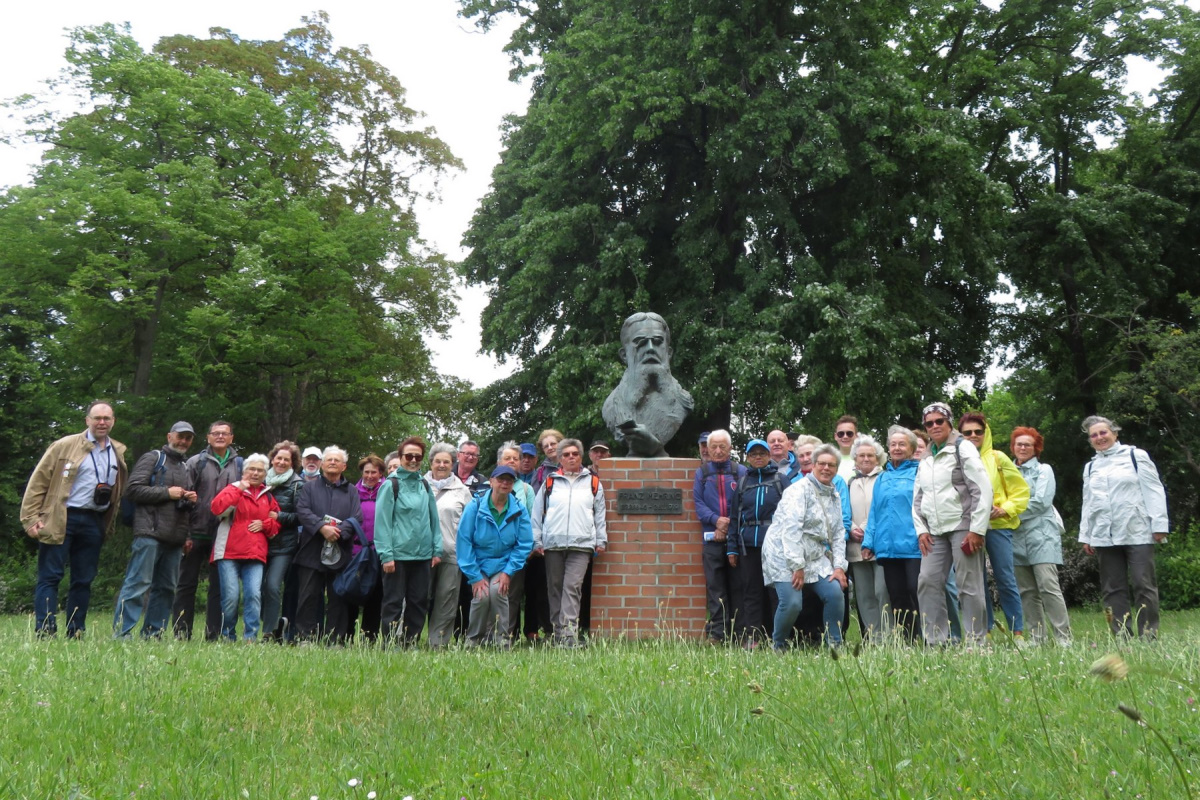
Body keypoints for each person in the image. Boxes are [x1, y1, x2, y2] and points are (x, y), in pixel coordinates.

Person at [21, 401, 128, 638]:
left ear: (113, 421)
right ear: (87, 420)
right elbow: (38, 481)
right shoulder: (65, 445)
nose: (102, 422)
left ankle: (75, 630)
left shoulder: (117, 452)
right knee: (51, 576)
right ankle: (46, 630)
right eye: (97, 418)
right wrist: (30, 518)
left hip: (94, 520)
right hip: (61, 517)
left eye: (107, 418)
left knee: (84, 579)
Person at [1079, 415, 1169, 639]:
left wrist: (1159, 524)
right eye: (1094, 435)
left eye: (1103, 433)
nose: (1099, 438)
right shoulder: (1091, 467)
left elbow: (1154, 490)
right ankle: (1121, 635)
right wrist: (1086, 535)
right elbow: (1088, 502)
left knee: (1143, 583)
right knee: (1112, 589)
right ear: (1090, 440)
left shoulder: (1135, 456)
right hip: (1104, 535)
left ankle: (1148, 635)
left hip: (1137, 530)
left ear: (1114, 433)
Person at [913, 402, 993, 645]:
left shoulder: (963, 447)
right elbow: (918, 497)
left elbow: (982, 489)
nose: (935, 426)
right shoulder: (926, 456)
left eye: (940, 421)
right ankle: (936, 640)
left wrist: (977, 529)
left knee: (968, 586)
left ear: (949, 422)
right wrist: (921, 530)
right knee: (927, 581)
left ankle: (975, 642)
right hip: (934, 532)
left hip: (963, 528)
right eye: (930, 423)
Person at [112, 421, 198, 639]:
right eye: (180, 436)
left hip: (175, 538)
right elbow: (132, 489)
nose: (184, 441)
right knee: (138, 584)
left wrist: (188, 502)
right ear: (169, 436)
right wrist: (167, 493)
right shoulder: (153, 458)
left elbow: (181, 506)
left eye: (188, 438)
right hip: (149, 532)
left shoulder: (186, 467)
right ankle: (122, 634)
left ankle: (153, 634)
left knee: (167, 588)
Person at [762, 444, 849, 650]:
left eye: (831, 465)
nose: (826, 468)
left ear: (836, 468)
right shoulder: (798, 490)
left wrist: (839, 567)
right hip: (783, 553)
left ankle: (834, 646)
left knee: (835, 592)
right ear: (813, 466)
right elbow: (791, 529)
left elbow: (837, 533)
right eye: (822, 464)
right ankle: (779, 645)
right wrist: (797, 566)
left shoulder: (834, 494)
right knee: (792, 602)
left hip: (814, 554)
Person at [958, 412, 1029, 640]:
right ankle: (985, 630)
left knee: (1005, 578)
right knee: (976, 581)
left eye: (978, 431)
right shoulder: (956, 459)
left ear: (985, 432)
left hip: (998, 526)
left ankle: (1017, 631)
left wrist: (1005, 508)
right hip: (968, 527)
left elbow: (1020, 490)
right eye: (967, 432)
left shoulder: (998, 458)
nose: (973, 436)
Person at [532, 438, 607, 647]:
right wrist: (536, 539)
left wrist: (601, 539)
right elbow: (537, 513)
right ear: (560, 459)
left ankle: (569, 635)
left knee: (572, 587)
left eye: (575, 454)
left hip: (581, 544)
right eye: (566, 454)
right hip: (553, 544)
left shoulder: (593, 482)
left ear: (581, 457)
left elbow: (600, 514)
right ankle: (557, 633)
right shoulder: (550, 482)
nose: (571, 457)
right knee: (554, 588)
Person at [172, 420, 241, 641]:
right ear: (208, 437)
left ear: (231, 438)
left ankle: (214, 634)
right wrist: (185, 533)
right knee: (186, 584)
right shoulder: (195, 462)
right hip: (195, 531)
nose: (220, 437)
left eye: (225, 433)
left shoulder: (240, 465)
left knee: (219, 588)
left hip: (224, 534)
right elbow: (183, 499)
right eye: (216, 433)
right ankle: (181, 633)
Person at [458, 465, 534, 647]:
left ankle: (501, 640)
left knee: (498, 591)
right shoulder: (474, 507)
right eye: (501, 479)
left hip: (504, 564)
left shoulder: (519, 509)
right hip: (478, 563)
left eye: (509, 480)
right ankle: (473, 639)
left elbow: (524, 544)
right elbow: (464, 541)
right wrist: (475, 576)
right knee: (482, 595)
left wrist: (508, 572)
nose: (505, 483)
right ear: (491, 482)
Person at [375, 436, 442, 646]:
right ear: (401, 457)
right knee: (393, 602)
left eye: (418, 457)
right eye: (409, 456)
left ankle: (409, 641)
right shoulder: (390, 485)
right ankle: (389, 643)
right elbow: (382, 523)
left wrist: (436, 549)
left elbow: (434, 519)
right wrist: (386, 555)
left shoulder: (424, 484)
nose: (413, 460)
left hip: (422, 555)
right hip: (397, 555)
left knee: (419, 601)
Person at [602, 311, 694, 457]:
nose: (650, 348)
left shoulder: (684, 402)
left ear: (669, 353)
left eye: (657, 342)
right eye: (641, 342)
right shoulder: (611, 407)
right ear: (624, 355)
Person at [209, 453, 280, 641]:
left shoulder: (269, 496)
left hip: (255, 553)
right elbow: (217, 510)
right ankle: (227, 635)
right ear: (244, 471)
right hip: (228, 552)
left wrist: (264, 524)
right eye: (251, 469)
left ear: (265, 473)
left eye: (260, 470)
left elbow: (275, 527)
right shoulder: (232, 488)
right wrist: (239, 489)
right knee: (231, 597)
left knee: (254, 596)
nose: (255, 473)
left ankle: (250, 637)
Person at [295, 446, 362, 643]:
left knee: (338, 597)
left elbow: (356, 517)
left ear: (344, 466)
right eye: (329, 459)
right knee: (308, 596)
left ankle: (335, 639)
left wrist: (339, 533)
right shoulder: (309, 487)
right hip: (311, 549)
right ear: (322, 464)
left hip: (340, 551)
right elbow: (303, 511)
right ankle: (305, 637)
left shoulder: (351, 491)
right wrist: (322, 528)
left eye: (336, 460)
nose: (332, 462)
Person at [1010, 427, 1072, 645]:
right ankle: (1037, 640)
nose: (1023, 447)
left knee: (1048, 587)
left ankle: (1064, 639)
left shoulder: (1044, 470)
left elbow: (1041, 502)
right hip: (1015, 538)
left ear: (1036, 448)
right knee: (1027, 591)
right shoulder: (1007, 471)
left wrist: (1008, 513)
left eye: (1028, 444)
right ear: (1013, 447)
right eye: (1019, 444)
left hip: (1042, 535)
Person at [862, 426, 923, 641]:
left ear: (912, 448)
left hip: (914, 546)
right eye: (893, 444)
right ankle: (907, 640)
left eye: (902, 444)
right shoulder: (882, 478)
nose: (897, 448)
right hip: (887, 548)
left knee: (915, 592)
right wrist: (868, 542)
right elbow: (874, 513)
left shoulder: (920, 473)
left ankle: (926, 638)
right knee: (896, 596)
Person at [729, 439, 787, 646]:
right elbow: (734, 518)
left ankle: (778, 637)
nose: (758, 457)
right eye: (753, 454)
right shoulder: (743, 483)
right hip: (748, 546)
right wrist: (731, 549)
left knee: (775, 592)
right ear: (748, 458)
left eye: (762, 453)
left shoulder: (781, 480)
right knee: (751, 591)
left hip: (775, 547)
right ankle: (753, 637)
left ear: (769, 455)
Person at [692, 429, 745, 643]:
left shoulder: (740, 471)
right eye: (713, 446)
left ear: (730, 448)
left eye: (722, 446)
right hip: (711, 539)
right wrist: (716, 521)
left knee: (739, 586)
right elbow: (698, 504)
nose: (717, 450)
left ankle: (740, 632)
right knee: (715, 588)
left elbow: (744, 503)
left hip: (736, 539)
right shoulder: (702, 473)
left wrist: (727, 526)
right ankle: (717, 633)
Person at [425, 442, 473, 648]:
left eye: (447, 461)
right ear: (431, 463)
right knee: (416, 598)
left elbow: (470, 526)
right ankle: (406, 639)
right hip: (421, 554)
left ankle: (438, 644)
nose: (442, 465)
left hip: (452, 553)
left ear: (453, 464)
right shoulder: (419, 485)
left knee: (446, 601)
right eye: (438, 461)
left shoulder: (462, 491)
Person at [846, 435, 889, 641]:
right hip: (855, 546)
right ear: (855, 459)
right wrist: (852, 528)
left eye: (870, 455)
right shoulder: (850, 482)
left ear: (878, 458)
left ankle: (890, 637)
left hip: (880, 544)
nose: (865, 459)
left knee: (882, 592)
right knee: (864, 596)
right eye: (861, 455)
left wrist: (864, 529)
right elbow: (845, 510)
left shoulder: (884, 478)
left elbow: (881, 509)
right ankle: (874, 639)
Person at [261, 440, 303, 642]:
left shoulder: (297, 485)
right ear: (272, 459)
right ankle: (273, 625)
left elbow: (301, 517)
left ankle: (269, 632)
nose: (282, 462)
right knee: (258, 587)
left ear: (293, 462)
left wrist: (279, 517)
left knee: (272, 586)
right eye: (279, 458)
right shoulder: (260, 480)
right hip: (259, 543)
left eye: (287, 459)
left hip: (284, 546)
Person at [348, 454, 386, 643]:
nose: (370, 476)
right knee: (352, 593)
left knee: (376, 596)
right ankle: (346, 636)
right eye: (366, 472)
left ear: (380, 474)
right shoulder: (352, 492)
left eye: (374, 472)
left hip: (379, 552)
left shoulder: (387, 492)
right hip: (356, 552)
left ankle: (368, 639)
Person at [834, 415, 859, 480]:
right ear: (835, 436)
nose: (845, 437)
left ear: (856, 436)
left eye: (849, 433)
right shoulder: (829, 461)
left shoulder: (867, 459)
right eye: (841, 434)